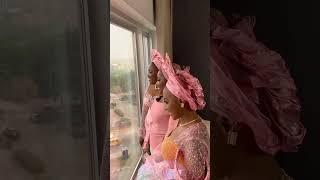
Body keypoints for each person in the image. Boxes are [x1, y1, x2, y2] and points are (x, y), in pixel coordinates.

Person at [136, 51, 210, 180]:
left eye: (167, 101)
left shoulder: (193, 137)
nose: (165, 107)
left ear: (181, 101)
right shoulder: (182, 121)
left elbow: (195, 177)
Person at [139, 50, 171, 154]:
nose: (148, 75)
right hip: (148, 127)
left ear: (159, 74)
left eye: (151, 72)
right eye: (148, 71)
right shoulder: (150, 86)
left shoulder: (163, 90)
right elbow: (144, 111)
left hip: (158, 132)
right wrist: (142, 129)